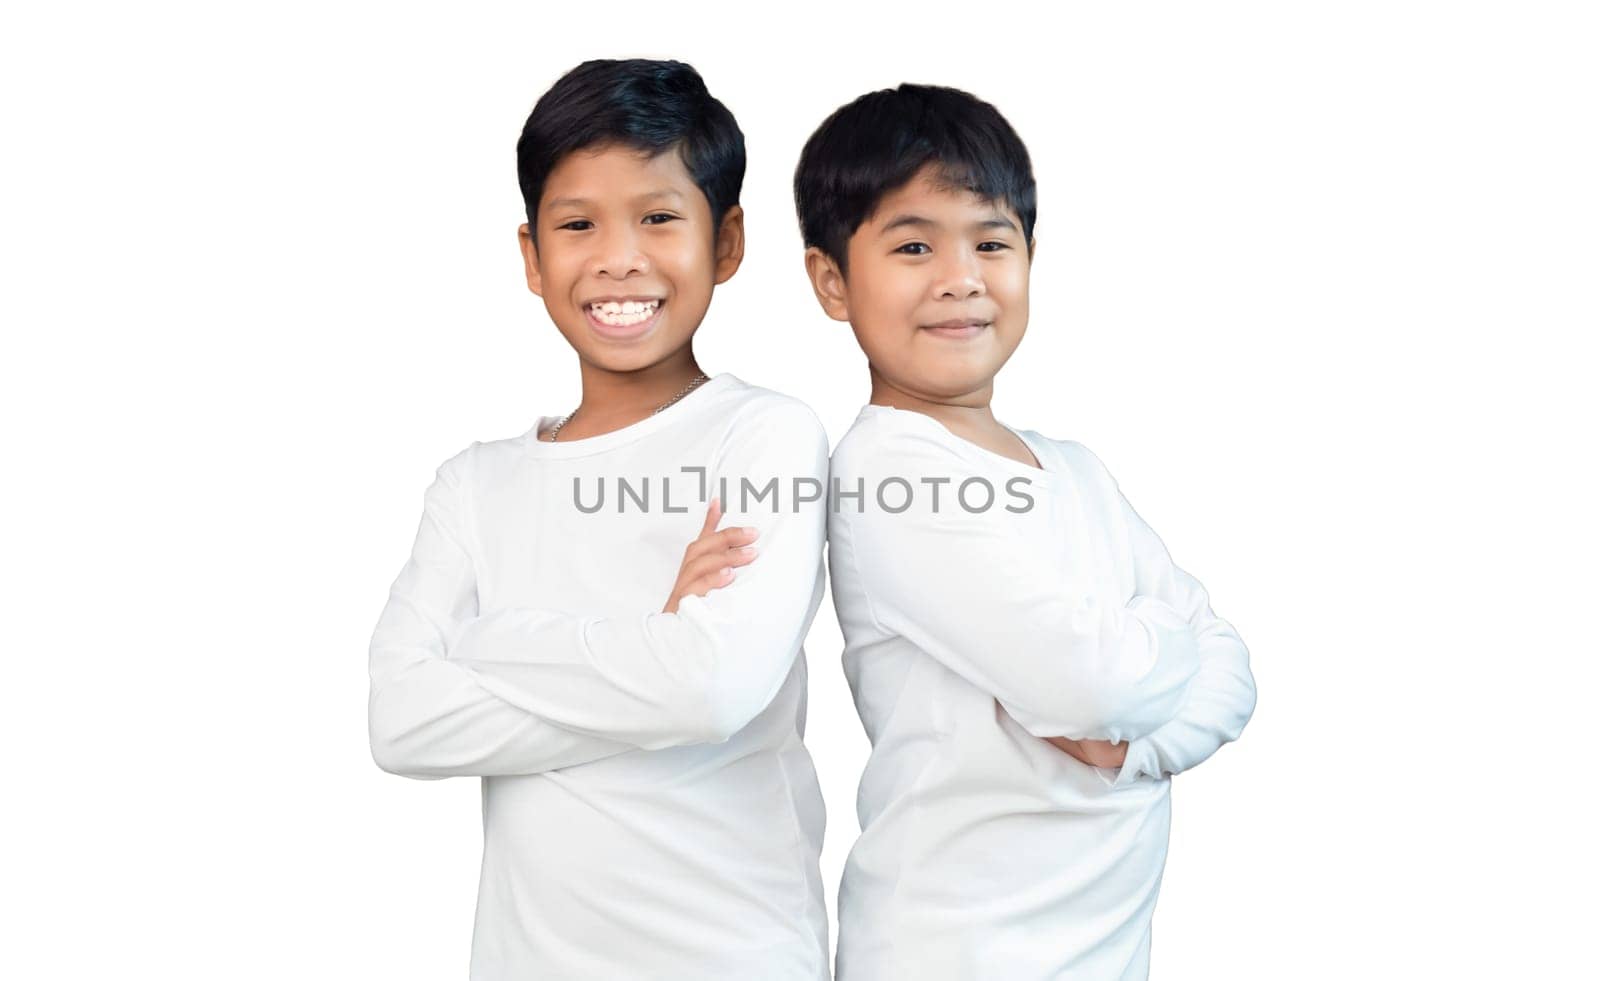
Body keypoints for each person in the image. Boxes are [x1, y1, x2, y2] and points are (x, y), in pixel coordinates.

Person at [368, 59, 830, 980]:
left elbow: (711, 689)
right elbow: (399, 722)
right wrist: (653, 639)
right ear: (533, 258)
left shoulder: (764, 434)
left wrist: (489, 642)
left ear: (727, 242)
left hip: (734, 957)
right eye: (578, 225)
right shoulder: (475, 485)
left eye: (659, 218)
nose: (619, 257)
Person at [794, 82, 1258, 980]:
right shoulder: (890, 474)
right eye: (914, 244)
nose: (960, 277)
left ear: (1030, 258)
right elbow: (1087, 677)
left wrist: (1136, 742)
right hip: (952, 952)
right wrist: (1157, 651)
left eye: (991, 241)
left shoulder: (1077, 470)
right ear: (831, 280)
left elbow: (1232, 668)